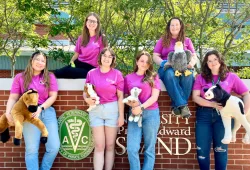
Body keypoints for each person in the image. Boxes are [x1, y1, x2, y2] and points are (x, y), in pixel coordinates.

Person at [192, 50, 250, 170]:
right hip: (204, 116)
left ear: (220, 60)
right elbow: (195, 97)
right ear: (206, 63)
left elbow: (246, 93)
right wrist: (212, 105)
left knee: (221, 150)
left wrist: (243, 111)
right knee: (202, 151)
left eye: (215, 59)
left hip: (223, 117)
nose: (213, 62)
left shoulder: (231, 76)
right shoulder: (200, 77)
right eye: (209, 61)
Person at [5, 51, 60, 170]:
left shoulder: (49, 76)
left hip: (47, 112)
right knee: (31, 149)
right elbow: (13, 97)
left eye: (43, 61)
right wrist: (8, 112)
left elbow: (53, 96)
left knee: (54, 146)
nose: (40, 62)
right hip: (29, 115)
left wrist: (41, 108)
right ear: (31, 60)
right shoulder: (20, 77)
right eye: (38, 59)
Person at [83, 47, 124, 170]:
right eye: (104, 56)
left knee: (110, 145)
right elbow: (85, 92)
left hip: (112, 110)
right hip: (95, 110)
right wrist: (87, 99)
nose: (106, 58)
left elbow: (121, 96)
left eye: (109, 56)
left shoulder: (117, 74)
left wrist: (121, 115)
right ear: (100, 57)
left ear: (113, 59)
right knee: (99, 146)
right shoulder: (91, 73)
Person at [153, 17, 197, 118]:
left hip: (184, 67)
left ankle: (177, 106)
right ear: (169, 27)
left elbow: (194, 56)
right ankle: (183, 105)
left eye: (177, 24)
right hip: (168, 67)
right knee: (170, 74)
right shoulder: (162, 40)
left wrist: (191, 64)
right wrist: (164, 63)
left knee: (189, 76)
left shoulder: (187, 40)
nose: (174, 27)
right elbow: (155, 56)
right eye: (172, 25)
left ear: (180, 26)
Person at [124, 51, 161, 170]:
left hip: (151, 114)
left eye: (147, 62)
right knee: (131, 148)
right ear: (137, 62)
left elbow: (154, 97)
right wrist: (132, 105)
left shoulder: (154, 77)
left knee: (149, 148)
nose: (144, 64)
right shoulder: (128, 78)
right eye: (142, 61)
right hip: (134, 114)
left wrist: (141, 107)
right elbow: (125, 97)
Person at [54, 12, 108, 78]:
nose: (91, 23)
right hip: (78, 63)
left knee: (68, 72)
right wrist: (70, 63)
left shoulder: (101, 38)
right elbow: (76, 54)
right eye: (89, 21)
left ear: (98, 24)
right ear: (86, 22)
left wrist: (103, 73)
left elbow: (104, 56)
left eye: (94, 21)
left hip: (91, 68)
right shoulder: (81, 38)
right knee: (60, 72)